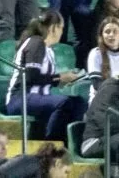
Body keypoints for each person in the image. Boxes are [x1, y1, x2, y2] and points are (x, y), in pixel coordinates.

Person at [5, 10, 86, 141]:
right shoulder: (36, 43)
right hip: (20, 98)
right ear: (54, 28)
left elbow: (43, 78)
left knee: (79, 102)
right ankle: (50, 143)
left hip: (39, 97)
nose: (62, 32)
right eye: (61, 28)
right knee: (64, 103)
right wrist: (59, 78)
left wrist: (60, 79)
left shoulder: (49, 50)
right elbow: (31, 77)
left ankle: (66, 143)